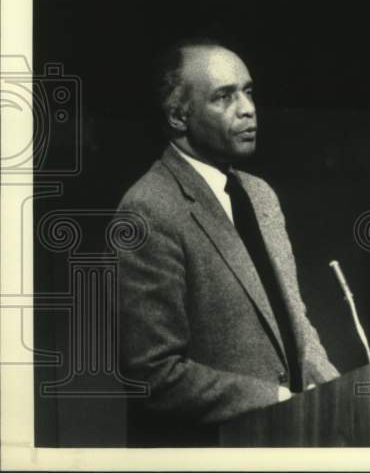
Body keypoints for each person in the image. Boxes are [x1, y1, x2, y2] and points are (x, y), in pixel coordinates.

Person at [115, 38, 338, 445]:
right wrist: (277, 398)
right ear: (179, 116)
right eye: (224, 97)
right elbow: (152, 374)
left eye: (248, 91)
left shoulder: (260, 195)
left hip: (286, 440)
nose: (248, 108)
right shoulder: (147, 208)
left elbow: (292, 319)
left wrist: (335, 390)